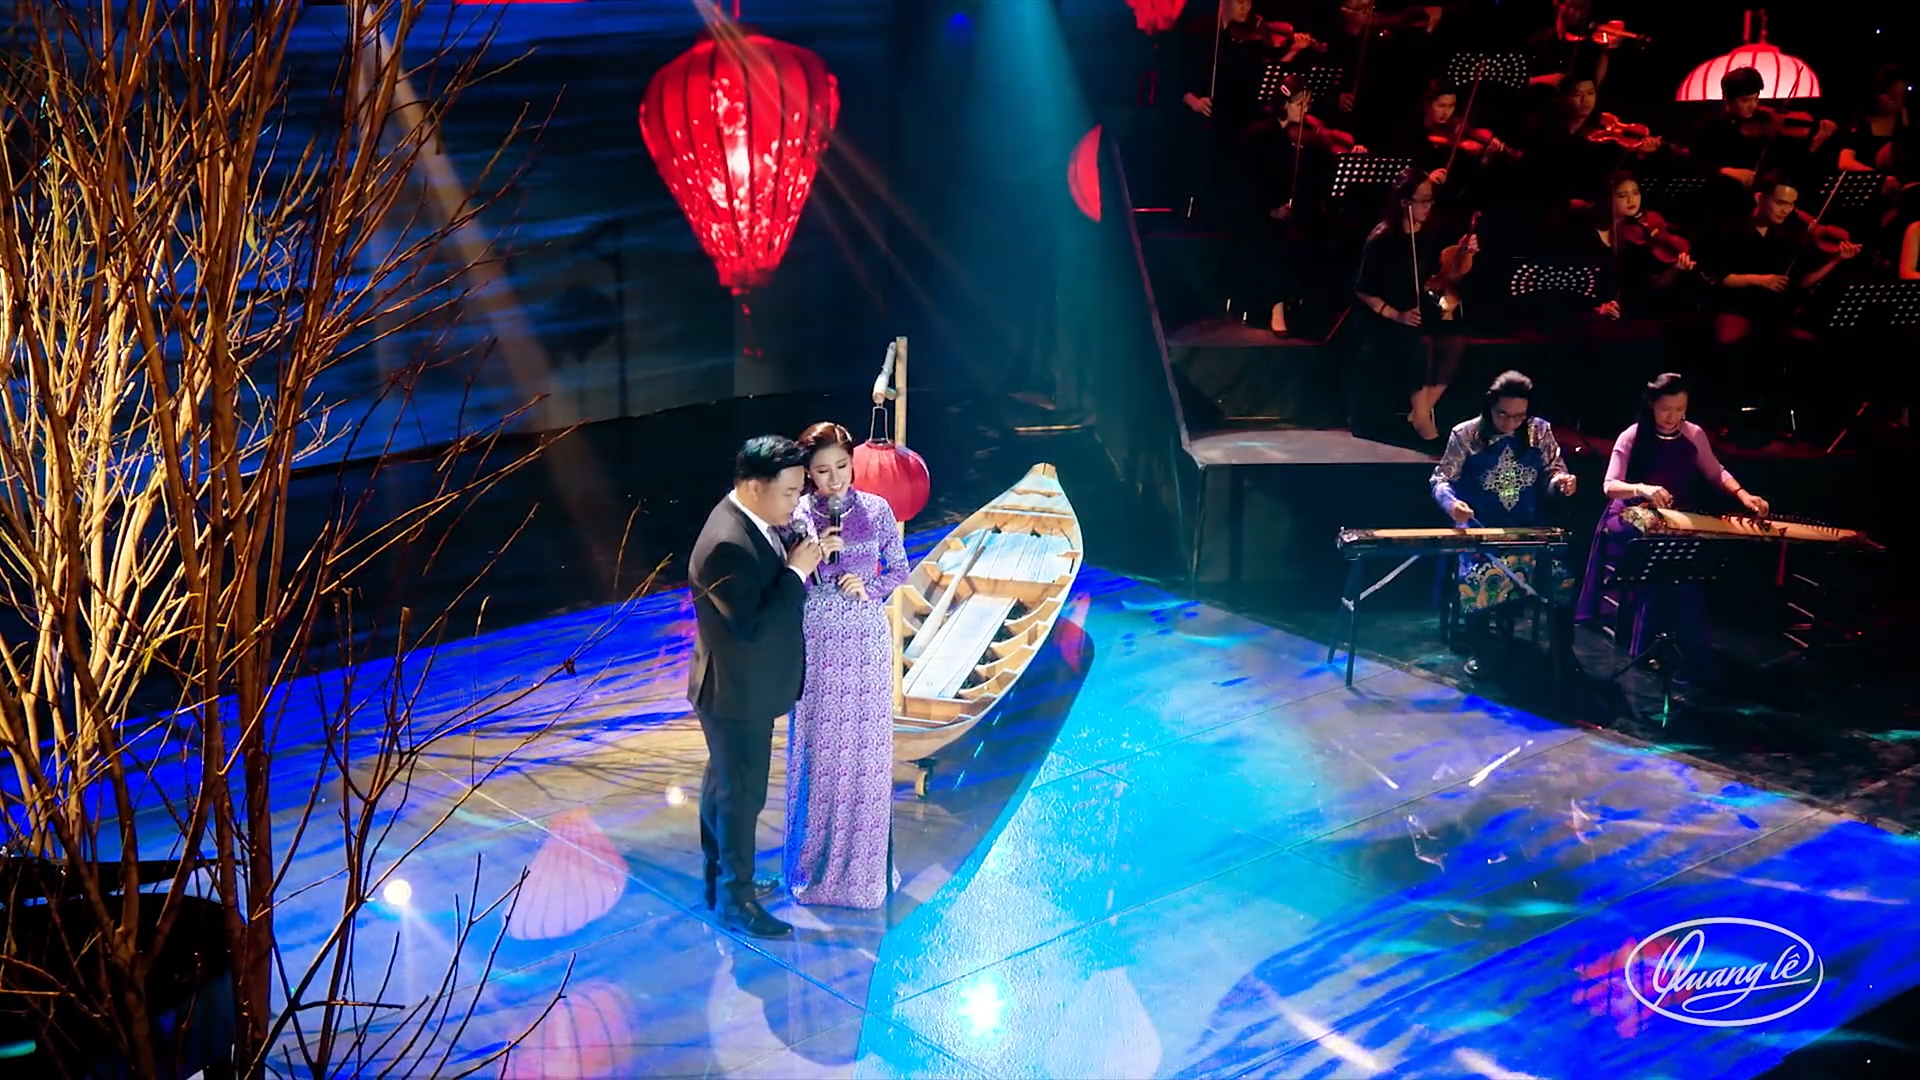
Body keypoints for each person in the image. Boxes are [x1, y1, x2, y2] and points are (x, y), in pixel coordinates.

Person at [687, 435, 834, 939]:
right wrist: (796, 572)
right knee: (741, 796)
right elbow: (752, 624)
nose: (796, 502)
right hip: (735, 692)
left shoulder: (752, 521)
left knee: (724, 787)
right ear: (754, 486)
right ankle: (736, 900)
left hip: (739, 685)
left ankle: (723, 880)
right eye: (789, 492)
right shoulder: (727, 542)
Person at [783, 422, 909, 909]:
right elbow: (786, 581)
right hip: (817, 639)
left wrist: (869, 587)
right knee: (820, 748)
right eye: (822, 471)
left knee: (864, 750)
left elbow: (899, 568)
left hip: (864, 641)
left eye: (842, 466)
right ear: (807, 474)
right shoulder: (797, 516)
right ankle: (814, 869)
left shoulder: (876, 510)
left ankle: (863, 872)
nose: (835, 479)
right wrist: (817, 558)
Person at [1575, 374, 1770, 686]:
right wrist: (1642, 488)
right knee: (1661, 560)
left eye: (1680, 409)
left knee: (1685, 571)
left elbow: (1716, 471)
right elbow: (1609, 485)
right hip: (1629, 515)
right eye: (1666, 409)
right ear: (1652, 405)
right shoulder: (1632, 436)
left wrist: (1743, 495)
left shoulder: (1693, 434)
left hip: (1673, 517)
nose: (1673, 416)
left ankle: (1689, 655)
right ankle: (1652, 647)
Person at [1429, 371, 1577, 676]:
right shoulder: (1466, 434)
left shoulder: (1539, 430)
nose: (1511, 423)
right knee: (1480, 574)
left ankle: (1563, 650)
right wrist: (1452, 504)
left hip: (1528, 526)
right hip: (1481, 526)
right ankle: (1480, 650)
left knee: (1560, 575)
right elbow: (1441, 480)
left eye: (1519, 416)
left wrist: (1561, 483)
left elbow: (1554, 471)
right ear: (1489, 407)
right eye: (1503, 415)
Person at [1354, 172, 1476, 441]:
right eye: (1423, 201)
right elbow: (1363, 289)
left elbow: (1437, 279)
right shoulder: (1382, 238)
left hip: (1419, 308)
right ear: (1404, 203)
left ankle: (1420, 411)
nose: (1429, 206)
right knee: (1422, 342)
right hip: (1385, 315)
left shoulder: (1430, 233)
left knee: (1455, 342)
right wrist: (1396, 315)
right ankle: (1422, 420)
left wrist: (1464, 255)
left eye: (1431, 200)